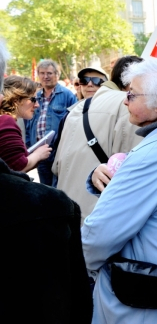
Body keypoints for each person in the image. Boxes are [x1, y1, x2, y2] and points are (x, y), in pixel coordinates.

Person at [81, 59, 157, 323]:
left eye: (132, 94)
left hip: (143, 295)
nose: (125, 100)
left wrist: (83, 263)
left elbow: (98, 236)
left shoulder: (155, 154)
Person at [0, 41, 92, 323]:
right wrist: (35, 154)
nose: (37, 103)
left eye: (49, 74)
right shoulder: (53, 210)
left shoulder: (64, 96)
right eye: (32, 99)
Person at [52, 56, 144, 219]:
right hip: (96, 217)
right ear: (134, 81)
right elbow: (137, 171)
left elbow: (56, 166)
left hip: (65, 211)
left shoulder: (77, 107)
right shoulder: (129, 106)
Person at [24, 59, 77, 184]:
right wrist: (28, 146)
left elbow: (75, 123)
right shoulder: (35, 96)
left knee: (60, 186)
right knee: (45, 188)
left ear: (57, 75)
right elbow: (28, 124)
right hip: (39, 152)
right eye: (42, 73)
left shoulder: (67, 95)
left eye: (49, 73)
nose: (45, 76)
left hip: (58, 152)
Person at [0, 76, 52, 172]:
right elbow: (18, 167)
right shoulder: (6, 121)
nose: (37, 105)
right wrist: (38, 154)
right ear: (16, 100)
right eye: (33, 99)